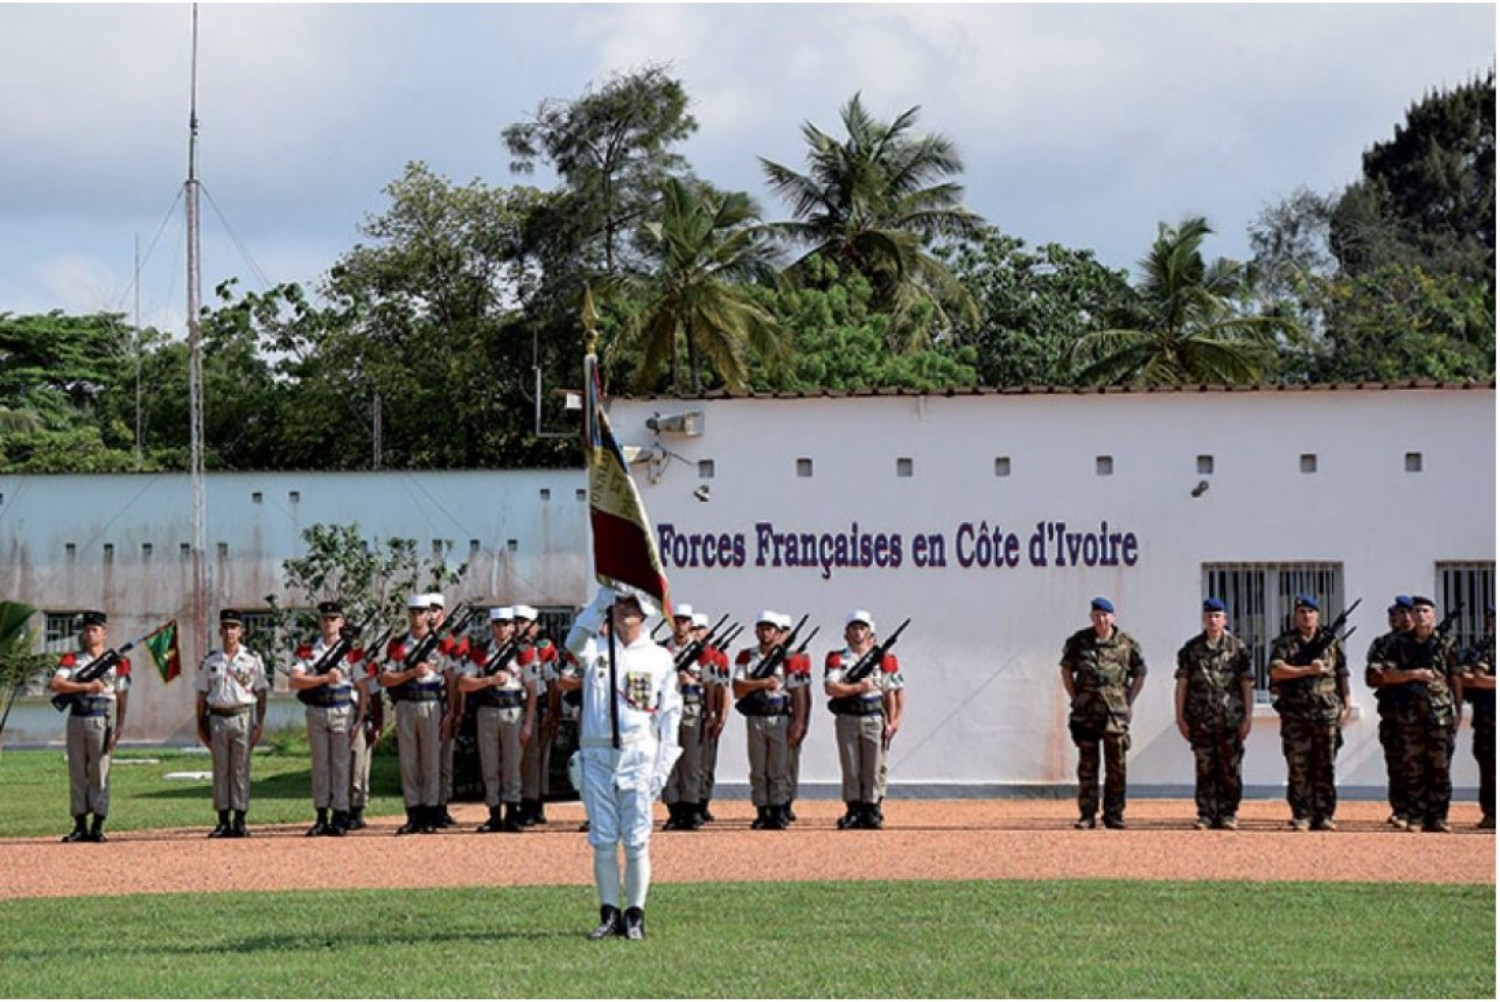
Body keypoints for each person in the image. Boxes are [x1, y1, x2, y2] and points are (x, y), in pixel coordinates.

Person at [563, 589, 681, 941]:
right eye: (619, 605)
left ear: (645, 613)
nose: (625, 611)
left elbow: (669, 716)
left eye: (632, 606)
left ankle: (636, 915)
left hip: (639, 754)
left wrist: (663, 766)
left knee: (636, 840)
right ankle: (609, 912)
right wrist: (600, 601)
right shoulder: (597, 650)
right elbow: (573, 640)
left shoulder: (659, 657)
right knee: (602, 840)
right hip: (597, 755)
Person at [1370, 595, 1460, 833]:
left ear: (1434, 615)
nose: (1419, 615)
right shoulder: (1398, 643)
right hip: (1407, 715)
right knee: (1413, 767)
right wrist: (1414, 674)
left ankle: (1439, 817)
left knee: (1440, 767)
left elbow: (1456, 678)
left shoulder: (1447, 643)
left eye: (1425, 611)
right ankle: (1416, 816)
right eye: (1416, 611)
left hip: (1439, 714)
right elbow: (1382, 675)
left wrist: (1458, 710)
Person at [1059, 597, 1146, 830]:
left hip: (1114, 715)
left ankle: (1114, 814)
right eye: (1096, 615)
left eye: (1105, 615)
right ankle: (1087, 815)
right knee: (1087, 767)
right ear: (1091, 617)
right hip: (1086, 713)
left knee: (1116, 766)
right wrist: (1076, 697)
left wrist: (1128, 700)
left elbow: (1139, 673)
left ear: (1113, 617)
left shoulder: (1126, 643)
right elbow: (1066, 670)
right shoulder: (1079, 641)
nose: (1101, 619)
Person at [1268, 594, 1350, 832]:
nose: (1307, 616)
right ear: (1295, 616)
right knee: (1298, 766)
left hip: (1326, 712)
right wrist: (1306, 670)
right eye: (1302, 612)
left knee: (1325, 766)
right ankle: (1301, 815)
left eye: (1311, 612)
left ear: (1318, 615)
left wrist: (1346, 703)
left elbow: (1342, 674)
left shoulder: (1331, 642)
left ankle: (1324, 815)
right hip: (1296, 714)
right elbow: (1276, 671)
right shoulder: (1285, 643)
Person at [49, 610, 129, 843]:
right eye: (86, 630)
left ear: (104, 633)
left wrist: (120, 726)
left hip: (100, 718)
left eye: (94, 629)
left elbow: (123, 695)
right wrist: (84, 687)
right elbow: (56, 683)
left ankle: (98, 824)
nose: (89, 634)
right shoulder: (73, 659)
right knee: (77, 772)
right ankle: (79, 824)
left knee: (99, 772)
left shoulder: (117, 662)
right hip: (76, 717)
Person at [1173, 598, 1253, 830]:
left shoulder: (1238, 649)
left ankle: (1228, 813)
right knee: (1205, 768)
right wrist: (1179, 717)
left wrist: (1248, 717)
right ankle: (1206, 814)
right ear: (1203, 619)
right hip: (1201, 720)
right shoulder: (1191, 649)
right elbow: (1182, 684)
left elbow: (1247, 684)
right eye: (1209, 616)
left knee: (1230, 769)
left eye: (1217, 616)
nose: (1213, 620)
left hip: (1230, 720)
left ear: (1225, 619)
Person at [823, 609, 905, 830]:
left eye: (862, 628)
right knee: (851, 765)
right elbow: (831, 687)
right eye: (854, 628)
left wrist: (894, 720)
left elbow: (892, 692)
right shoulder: (837, 658)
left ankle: (872, 809)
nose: (858, 632)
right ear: (846, 634)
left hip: (873, 717)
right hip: (848, 716)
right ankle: (853, 809)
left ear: (870, 633)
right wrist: (857, 687)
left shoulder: (883, 660)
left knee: (874, 766)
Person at [288, 599, 361, 836]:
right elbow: (295, 680)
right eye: (325, 619)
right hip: (317, 709)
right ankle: (321, 815)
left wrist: (361, 717)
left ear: (341, 622)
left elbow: (362, 685)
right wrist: (323, 679)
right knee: (320, 765)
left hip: (342, 708)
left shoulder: (351, 651)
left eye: (333, 619)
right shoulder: (308, 650)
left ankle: (340, 814)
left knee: (341, 764)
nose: (329, 623)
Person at [195, 609, 269, 838]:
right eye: (226, 627)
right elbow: (201, 694)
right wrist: (200, 724)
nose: (230, 632)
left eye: (234, 627)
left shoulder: (252, 659)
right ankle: (223, 819)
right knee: (221, 769)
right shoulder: (211, 660)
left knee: (240, 769)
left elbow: (261, 691)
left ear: (241, 631)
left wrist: (259, 723)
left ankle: (240, 819)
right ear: (220, 631)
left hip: (243, 716)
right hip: (217, 716)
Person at [460, 607, 535, 833]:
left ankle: (512, 813)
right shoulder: (481, 652)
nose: (502, 629)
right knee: (489, 764)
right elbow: (463, 683)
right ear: (492, 627)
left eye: (506, 624)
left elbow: (532, 689)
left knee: (512, 763)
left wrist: (529, 723)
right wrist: (489, 680)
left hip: (513, 709)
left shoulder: (523, 652)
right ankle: (493, 813)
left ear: (513, 627)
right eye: (497, 624)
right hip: (488, 709)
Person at [380, 593, 447, 834]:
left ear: (430, 615)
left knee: (430, 760)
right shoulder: (398, 644)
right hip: (406, 703)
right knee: (409, 761)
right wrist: (410, 673)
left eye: (422, 612)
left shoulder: (441, 644)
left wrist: (452, 710)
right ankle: (413, 813)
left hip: (431, 703)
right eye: (413, 612)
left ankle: (430, 813)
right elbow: (386, 677)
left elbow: (450, 677)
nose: (417, 616)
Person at [733, 611, 796, 830]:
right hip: (756, 715)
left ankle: (779, 810)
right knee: (758, 767)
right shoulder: (746, 656)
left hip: (779, 716)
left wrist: (799, 721)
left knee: (778, 768)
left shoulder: (788, 658)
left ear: (778, 633)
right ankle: (762, 810)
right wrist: (761, 684)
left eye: (770, 629)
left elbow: (798, 692)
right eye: (761, 628)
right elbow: (738, 688)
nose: (765, 632)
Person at [1365, 596, 1415, 829]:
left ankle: (1423, 810)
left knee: (1425, 763)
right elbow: (1373, 677)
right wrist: (1401, 675)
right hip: (1394, 712)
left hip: (1425, 713)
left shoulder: (1428, 643)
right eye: (1397, 614)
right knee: (1396, 763)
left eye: (1406, 613)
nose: (1402, 618)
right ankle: (1401, 810)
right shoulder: (1382, 644)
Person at [662, 604, 707, 831]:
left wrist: (693, 682)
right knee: (669, 760)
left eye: (684, 621)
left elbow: (713, 684)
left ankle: (691, 810)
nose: (680, 625)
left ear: (691, 624)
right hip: (668, 709)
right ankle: (674, 810)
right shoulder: (661, 650)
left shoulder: (702, 652)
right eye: (677, 620)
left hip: (691, 708)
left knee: (690, 762)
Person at [515, 604, 560, 826]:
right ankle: (523, 802)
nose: (518, 626)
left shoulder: (544, 648)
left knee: (537, 757)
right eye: (516, 622)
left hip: (539, 704)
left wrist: (553, 711)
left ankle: (535, 803)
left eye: (524, 622)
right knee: (521, 759)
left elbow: (552, 682)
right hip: (515, 704)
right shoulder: (510, 648)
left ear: (535, 626)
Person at [1457, 603, 1495, 829]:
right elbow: (1472, 679)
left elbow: (1480, 678)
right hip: (1489, 718)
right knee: (1490, 769)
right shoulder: (1482, 650)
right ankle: (1492, 814)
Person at [696, 612, 731, 824]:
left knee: (707, 761)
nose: (697, 633)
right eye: (694, 629)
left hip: (708, 713)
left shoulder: (716, 656)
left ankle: (703, 802)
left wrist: (721, 716)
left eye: (700, 629)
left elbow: (723, 688)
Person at [782, 613, 813, 825]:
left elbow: (805, 693)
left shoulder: (798, 659)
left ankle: (787, 801)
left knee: (790, 762)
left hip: (791, 716)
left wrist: (802, 723)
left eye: (785, 631)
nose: (782, 636)